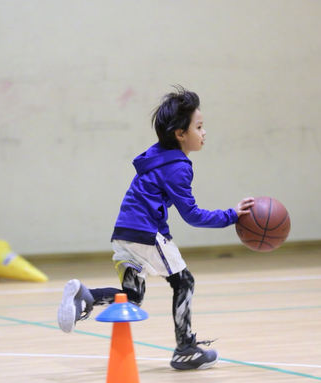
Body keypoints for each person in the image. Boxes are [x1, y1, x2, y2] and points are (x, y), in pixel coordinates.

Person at [57, 86, 254, 370]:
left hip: (124, 233)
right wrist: (232, 216)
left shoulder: (157, 155)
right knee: (184, 282)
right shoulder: (178, 167)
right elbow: (193, 215)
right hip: (146, 234)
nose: (204, 132)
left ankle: (85, 296)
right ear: (180, 134)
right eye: (199, 126)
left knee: (133, 297)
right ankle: (185, 348)